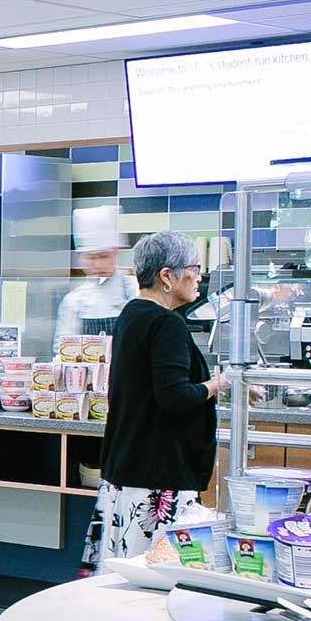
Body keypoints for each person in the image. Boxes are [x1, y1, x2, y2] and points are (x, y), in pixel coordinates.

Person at [86, 231, 222, 566]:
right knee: (154, 575)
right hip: (158, 477)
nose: (199, 277)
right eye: (194, 268)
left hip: (127, 470)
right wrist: (220, 383)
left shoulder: (132, 314)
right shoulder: (166, 324)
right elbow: (174, 396)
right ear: (166, 276)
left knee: (121, 573)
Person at [57, 206, 137, 341]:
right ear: (80, 257)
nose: (98, 264)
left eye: (103, 256)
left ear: (116, 253)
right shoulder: (73, 301)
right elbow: (63, 348)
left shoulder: (135, 290)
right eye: (91, 257)